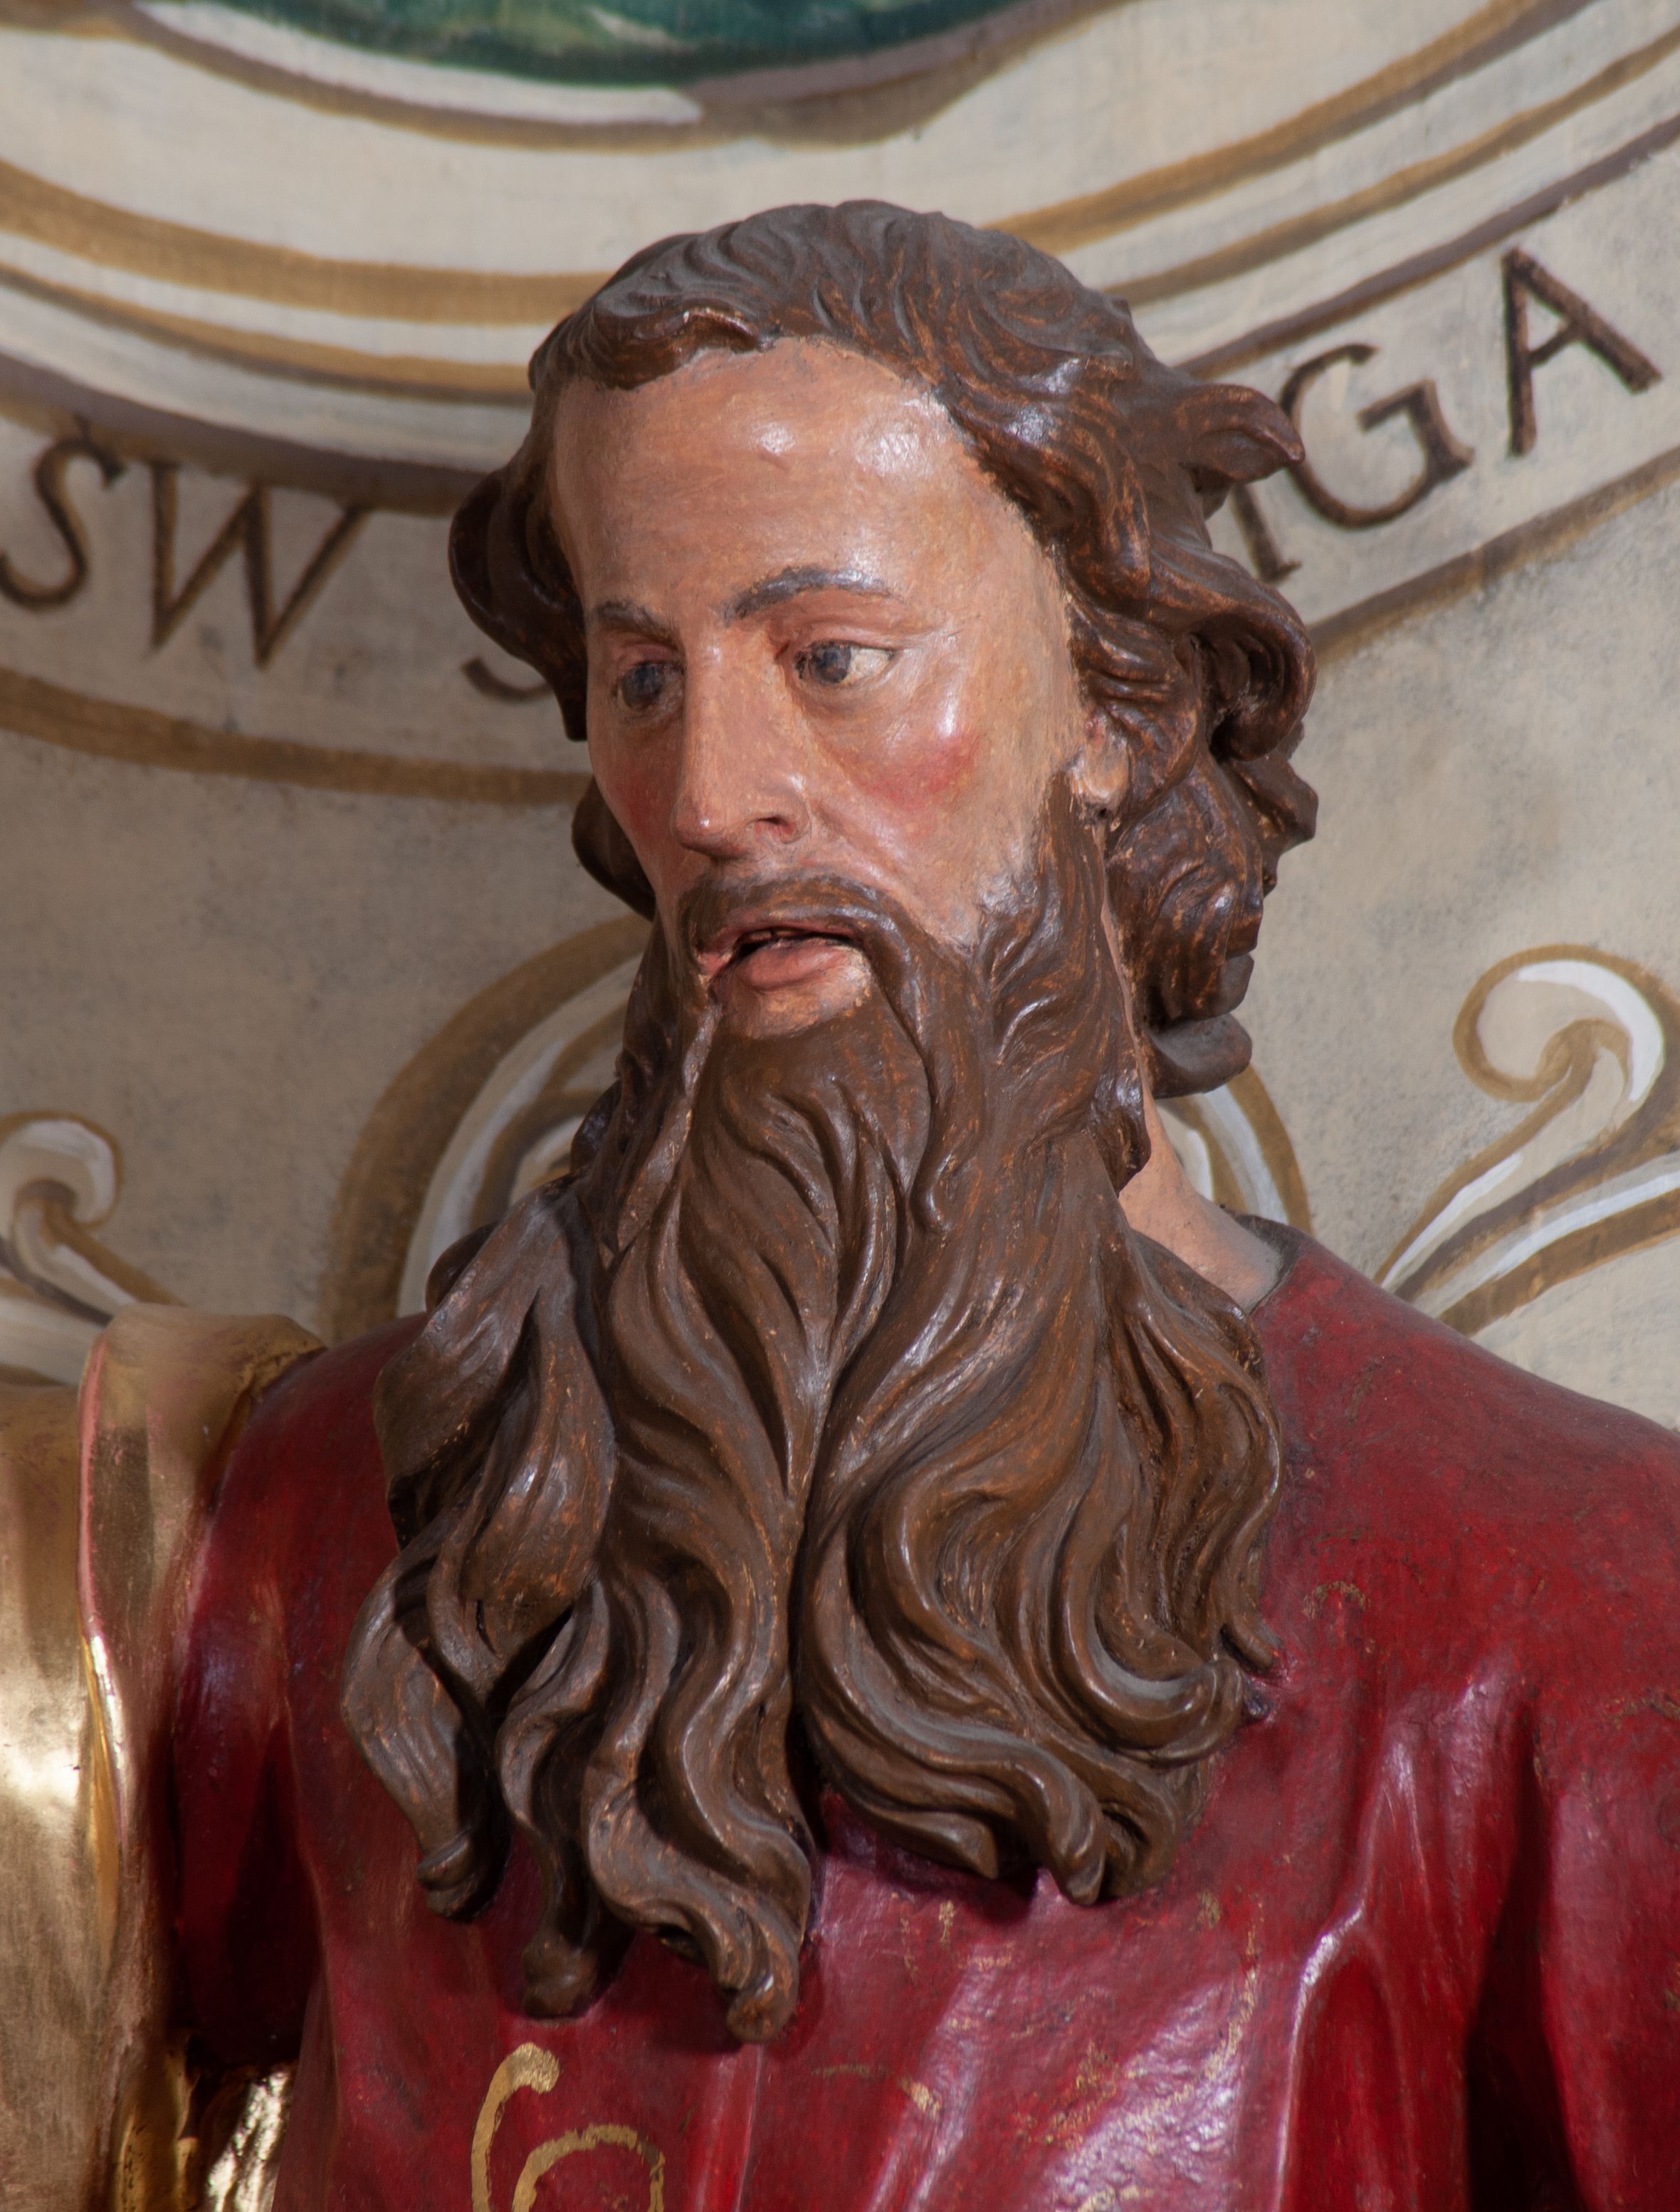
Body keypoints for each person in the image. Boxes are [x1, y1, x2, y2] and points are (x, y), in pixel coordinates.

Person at [26, 203, 1680, 2210]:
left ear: (1113, 708)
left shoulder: (1561, 1612)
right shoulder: (302, 1543)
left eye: (833, 659)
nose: (711, 793)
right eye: (644, 677)